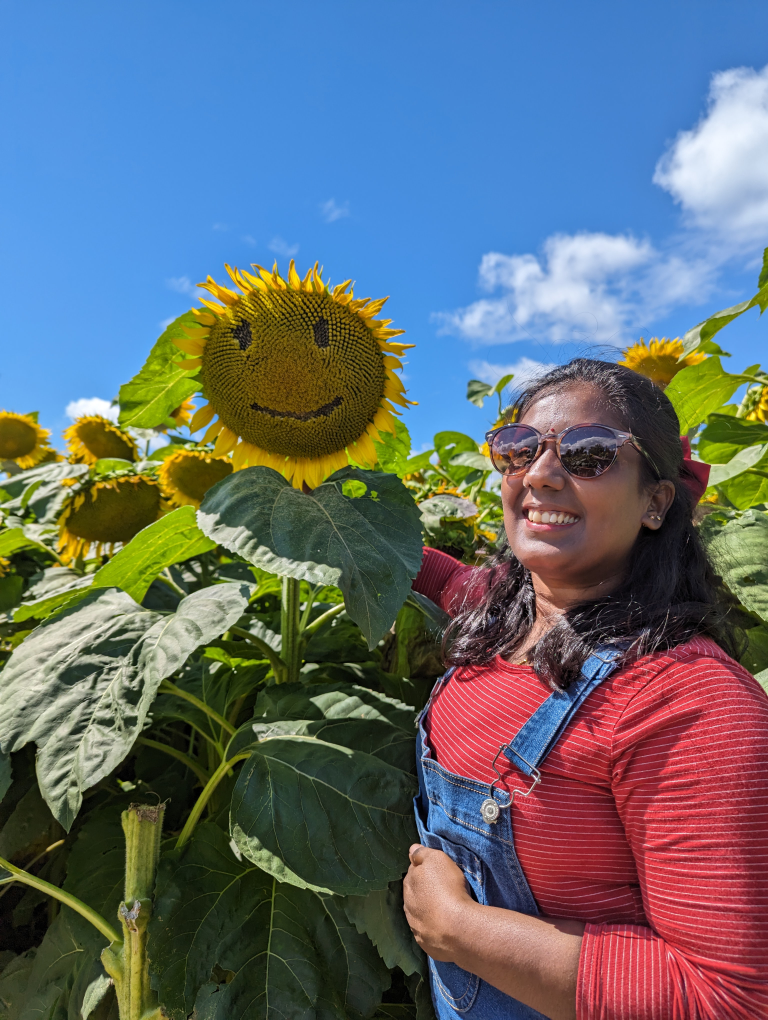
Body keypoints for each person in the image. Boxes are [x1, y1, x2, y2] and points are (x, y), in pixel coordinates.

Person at [402, 359, 768, 1020]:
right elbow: (437, 575)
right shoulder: (500, 613)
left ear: (657, 502)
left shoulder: (691, 704)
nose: (540, 474)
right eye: (519, 450)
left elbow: (732, 999)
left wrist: (461, 931)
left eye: (590, 454)